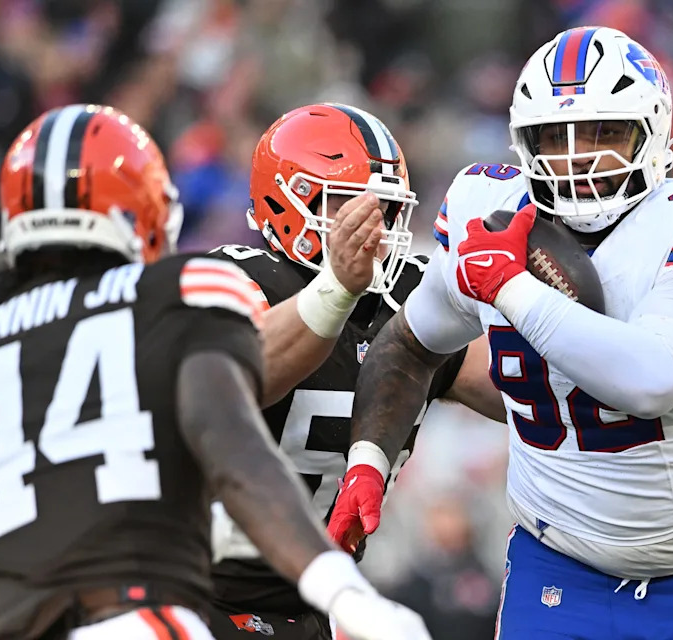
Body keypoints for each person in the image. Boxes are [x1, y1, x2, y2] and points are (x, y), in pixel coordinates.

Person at [330, 26, 673, 640]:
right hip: (556, 562)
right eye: (555, 138)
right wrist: (368, 461)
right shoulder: (489, 210)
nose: (579, 156)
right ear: (523, 142)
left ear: (652, 134)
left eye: (604, 132)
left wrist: (509, 285)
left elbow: (653, 382)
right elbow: (409, 346)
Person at [0, 104, 430, 640]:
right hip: (135, 609)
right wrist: (341, 588)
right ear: (151, 214)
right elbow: (237, 451)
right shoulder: (184, 293)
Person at [207, 103, 504, 640]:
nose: (375, 226)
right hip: (199, 588)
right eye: (350, 205)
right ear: (285, 200)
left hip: (316, 598)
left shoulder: (407, 299)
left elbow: (523, 395)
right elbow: (242, 371)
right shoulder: (237, 281)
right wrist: (335, 292)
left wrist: (529, 298)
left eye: (387, 210)